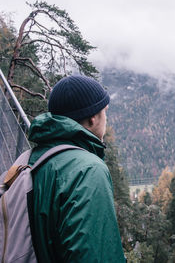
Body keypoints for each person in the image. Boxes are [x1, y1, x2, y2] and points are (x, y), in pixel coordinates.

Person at [27, 75, 125, 262]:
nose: (106, 119)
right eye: (105, 112)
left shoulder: (33, 159)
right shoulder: (88, 170)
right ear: (93, 118)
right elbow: (95, 255)